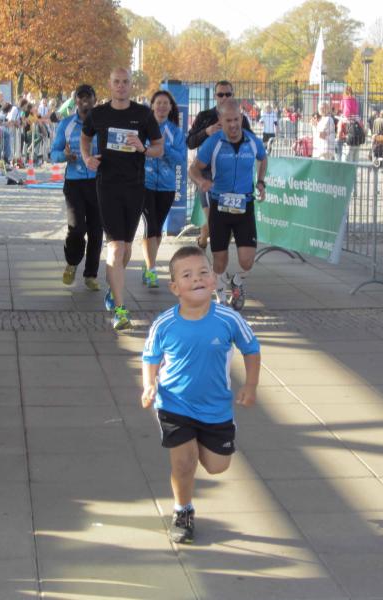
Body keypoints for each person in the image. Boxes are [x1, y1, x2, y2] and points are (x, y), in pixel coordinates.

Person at [141, 245, 260, 544]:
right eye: (187, 275)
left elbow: (251, 349)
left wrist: (250, 385)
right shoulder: (165, 324)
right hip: (174, 403)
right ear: (175, 288)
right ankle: (183, 510)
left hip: (216, 408)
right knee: (184, 461)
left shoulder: (228, 319)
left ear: (213, 280)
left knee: (218, 466)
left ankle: (201, 444)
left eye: (203, 272)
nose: (197, 278)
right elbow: (150, 356)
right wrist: (149, 384)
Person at [81, 67, 163, 331]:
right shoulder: (98, 114)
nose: (121, 86)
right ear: (110, 84)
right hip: (107, 186)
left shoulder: (143, 114)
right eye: (116, 82)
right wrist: (87, 158)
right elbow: (85, 137)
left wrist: (144, 149)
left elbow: (159, 147)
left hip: (135, 187)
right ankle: (120, 309)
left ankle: (112, 289)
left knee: (126, 250)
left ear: (131, 85)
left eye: (125, 82)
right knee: (116, 248)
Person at [188, 100, 267, 311]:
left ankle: (237, 282)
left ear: (241, 118)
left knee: (247, 261)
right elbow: (193, 169)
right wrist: (201, 181)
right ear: (220, 121)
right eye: (228, 120)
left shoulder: (252, 141)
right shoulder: (213, 143)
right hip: (219, 206)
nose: (233, 125)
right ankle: (221, 297)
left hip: (244, 205)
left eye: (236, 119)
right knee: (219, 261)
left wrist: (261, 182)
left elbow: (263, 158)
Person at [187, 81, 252, 250]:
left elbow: (251, 143)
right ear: (215, 96)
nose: (224, 98)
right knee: (213, 219)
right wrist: (207, 132)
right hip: (207, 174)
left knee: (225, 222)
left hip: (230, 176)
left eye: (228, 94)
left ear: (233, 95)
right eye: (220, 94)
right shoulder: (204, 116)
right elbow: (190, 142)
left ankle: (211, 246)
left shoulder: (240, 119)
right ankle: (205, 242)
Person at [50, 84, 102, 291]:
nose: (84, 101)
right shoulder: (66, 124)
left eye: (88, 97)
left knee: (96, 231)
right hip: (74, 183)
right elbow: (53, 153)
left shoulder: (102, 124)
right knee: (77, 227)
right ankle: (72, 262)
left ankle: (91, 274)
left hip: (98, 183)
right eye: (80, 97)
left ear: (95, 99)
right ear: (75, 101)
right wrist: (65, 156)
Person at [141, 90, 186, 288]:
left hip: (167, 186)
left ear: (170, 107)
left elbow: (180, 159)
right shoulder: (143, 128)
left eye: (165, 103)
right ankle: (152, 269)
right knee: (150, 226)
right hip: (145, 184)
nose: (161, 106)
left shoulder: (175, 132)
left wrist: (163, 147)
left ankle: (147, 263)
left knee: (157, 229)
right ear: (152, 106)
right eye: (158, 102)